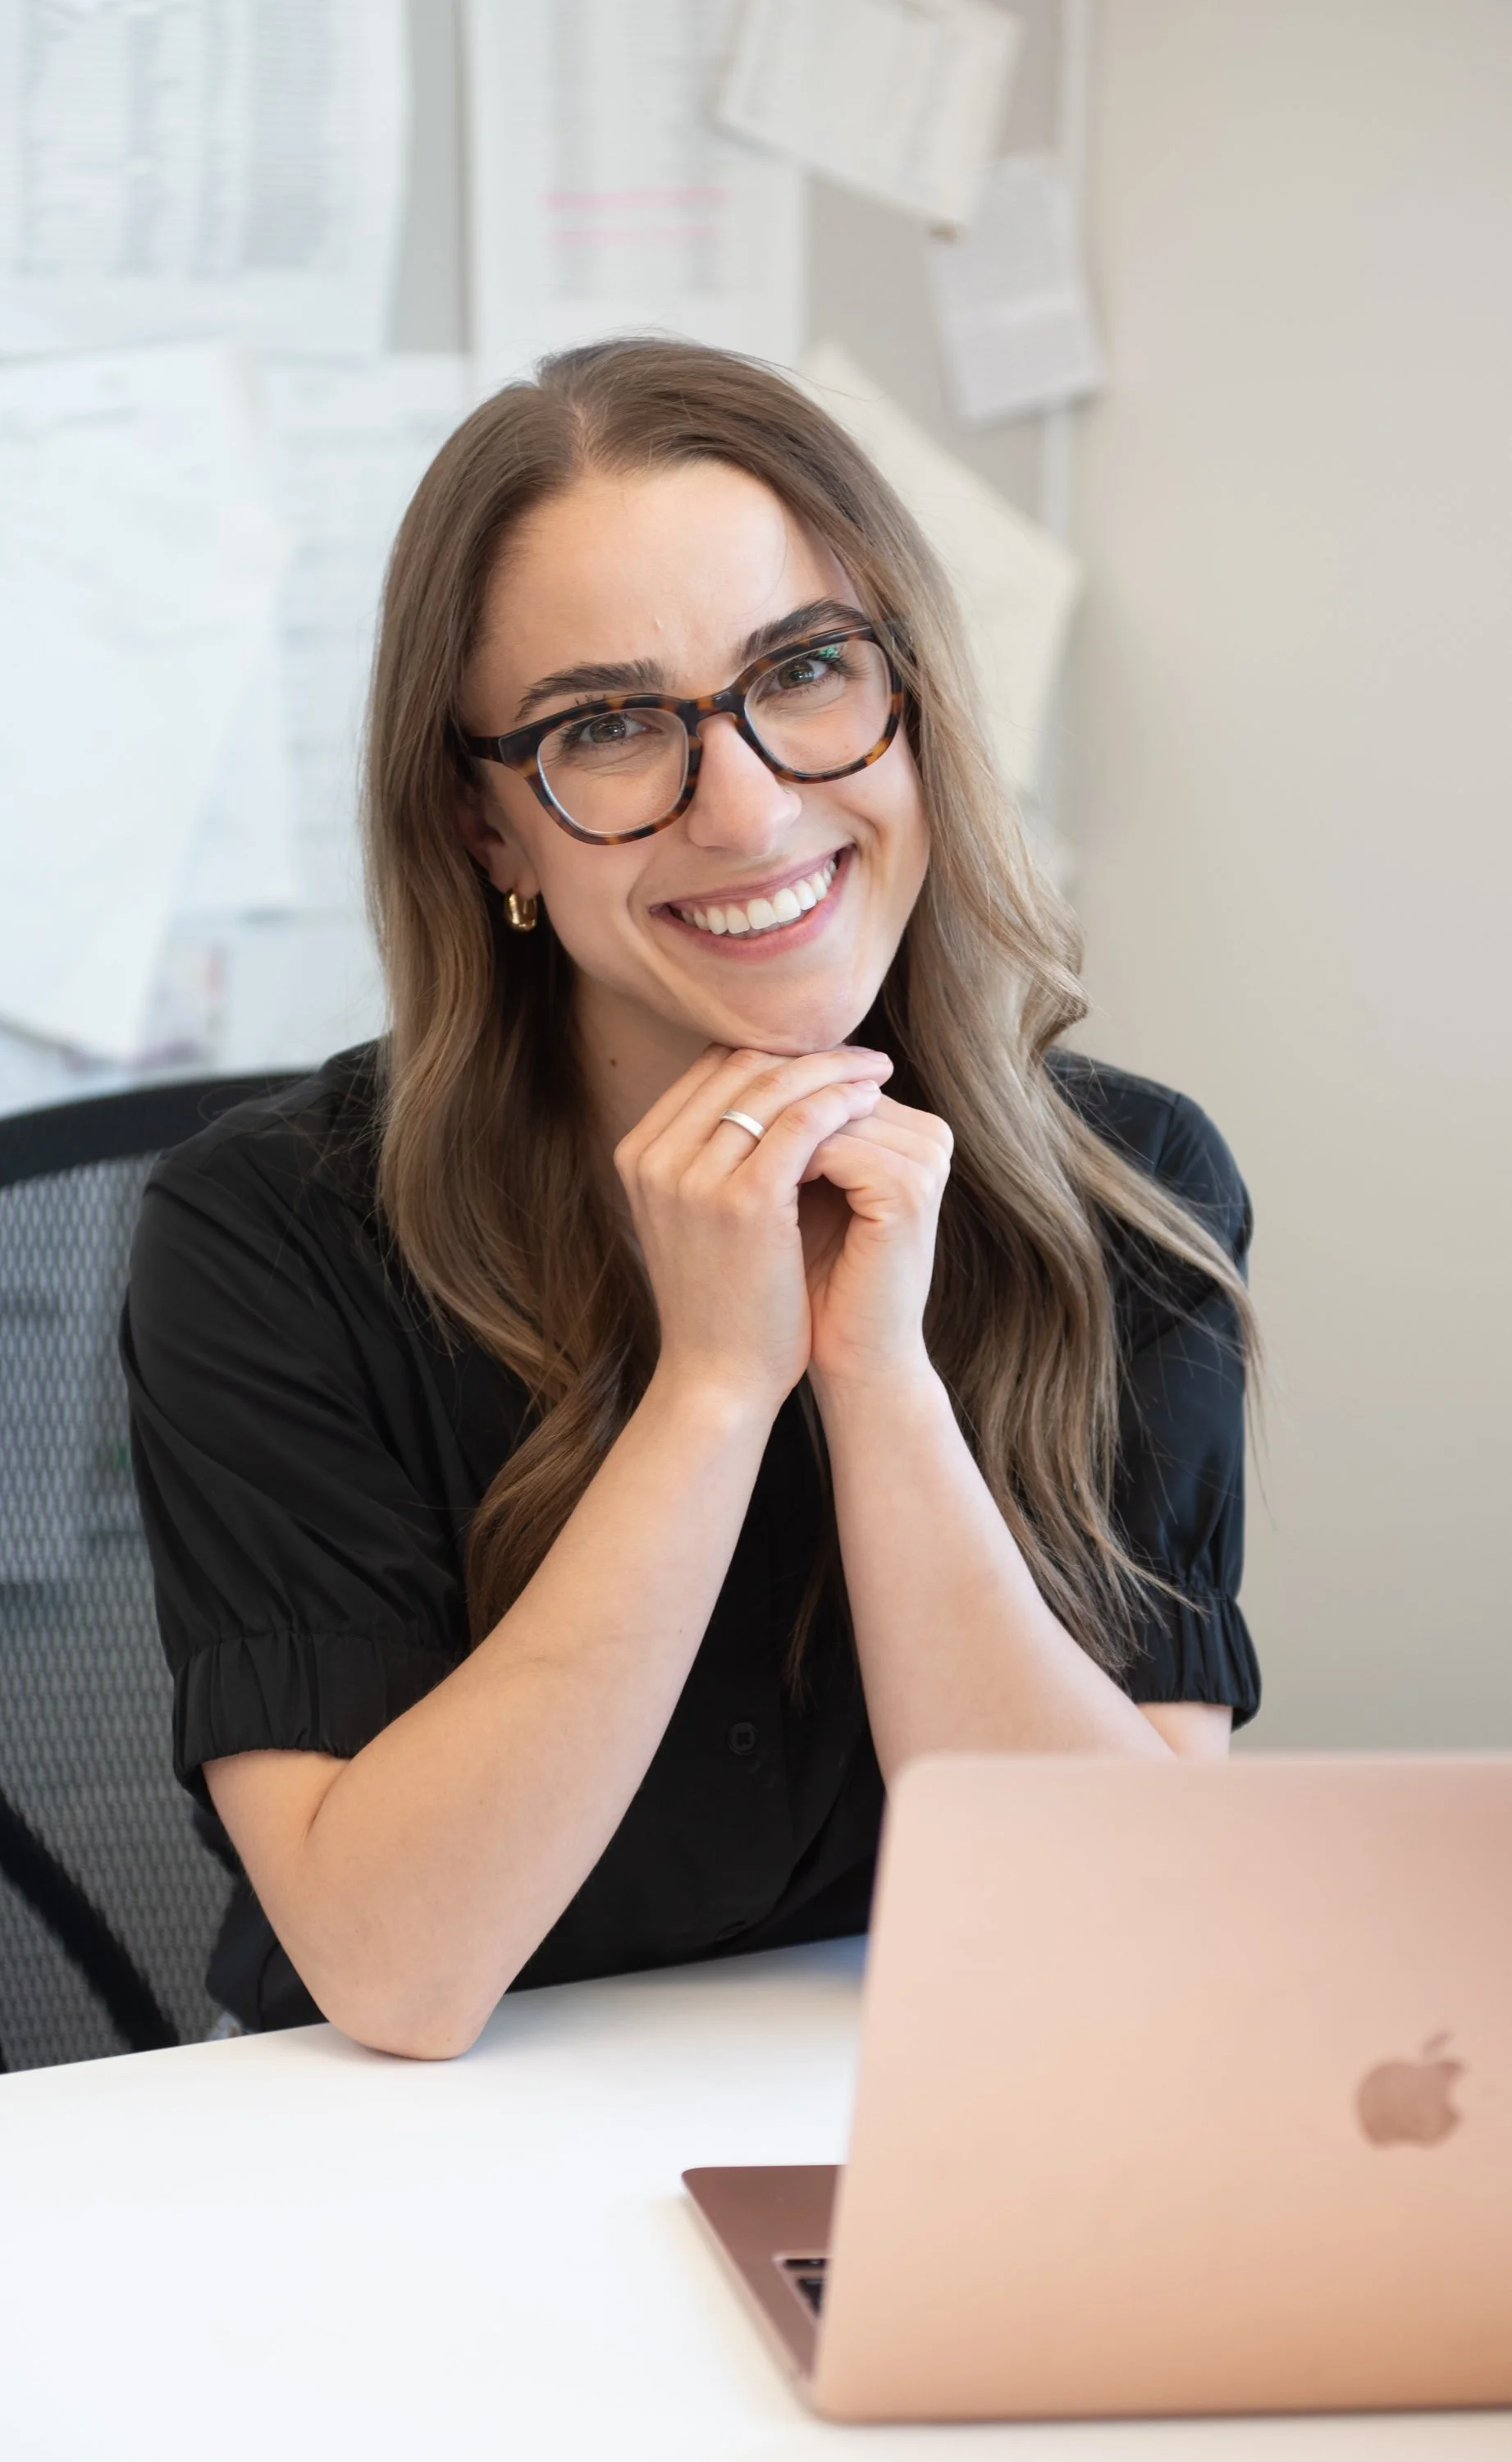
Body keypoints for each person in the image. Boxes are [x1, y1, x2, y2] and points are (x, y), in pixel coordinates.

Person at [122, 338, 1258, 2059]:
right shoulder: (268, 1233)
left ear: (913, 697)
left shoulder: (1127, 1195)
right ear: (488, 830)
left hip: (909, 2136)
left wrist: (876, 1384)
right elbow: (394, 1972)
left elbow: (1129, 1939)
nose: (742, 806)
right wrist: (715, 1391)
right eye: (606, 726)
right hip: (398, 2180)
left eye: (802, 669)